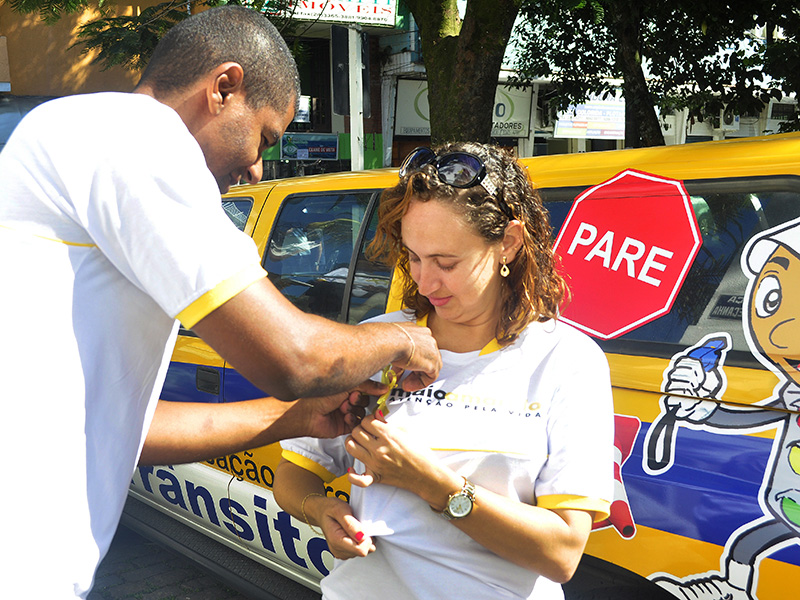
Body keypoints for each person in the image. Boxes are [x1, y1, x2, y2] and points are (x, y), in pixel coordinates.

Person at [0, 7, 440, 598]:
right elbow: (294, 358)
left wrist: (299, 419)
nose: (257, 166)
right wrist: (404, 337)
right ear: (223, 87)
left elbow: (131, 430)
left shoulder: (81, 138)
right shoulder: (134, 136)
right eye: (264, 136)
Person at [274, 143, 615, 600]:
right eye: (413, 257)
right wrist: (321, 509)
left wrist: (432, 484)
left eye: (446, 263)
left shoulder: (567, 359)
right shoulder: (378, 340)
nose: (423, 281)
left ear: (508, 243)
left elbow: (563, 552)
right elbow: (294, 474)